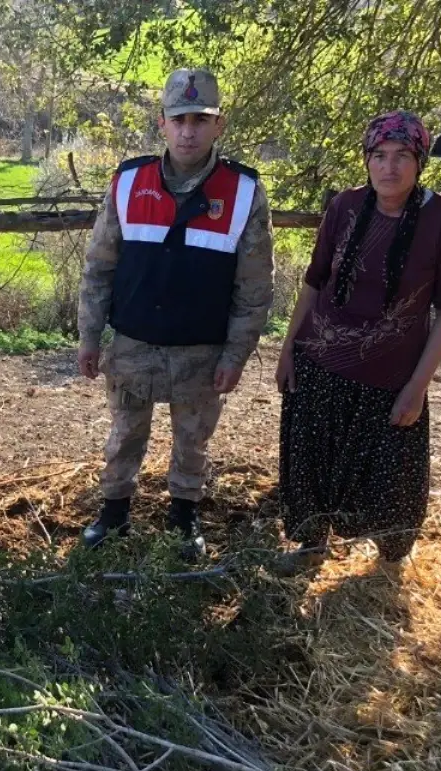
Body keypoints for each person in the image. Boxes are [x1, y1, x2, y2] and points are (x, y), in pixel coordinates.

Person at [77, 68, 275, 560]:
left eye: (200, 120)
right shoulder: (128, 182)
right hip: (133, 343)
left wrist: (237, 354)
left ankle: (184, 519)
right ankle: (114, 515)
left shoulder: (244, 191)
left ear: (218, 125)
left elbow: (255, 287)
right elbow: (99, 267)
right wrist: (88, 336)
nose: (189, 130)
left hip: (202, 350)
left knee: (193, 442)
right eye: (179, 119)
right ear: (161, 123)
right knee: (124, 434)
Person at [274, 110, 441, 574]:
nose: (390, 167)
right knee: (311, 464)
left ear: (420, 161)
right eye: (379, 155)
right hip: (320, 365)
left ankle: (390, 562)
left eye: (403, 156)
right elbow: (314, 282)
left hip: (390, 378)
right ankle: (309, 548)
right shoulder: (344, 207)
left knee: (392, 481)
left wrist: (416, 387)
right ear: (366, 160)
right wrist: (287, 350)